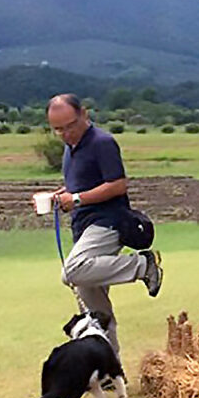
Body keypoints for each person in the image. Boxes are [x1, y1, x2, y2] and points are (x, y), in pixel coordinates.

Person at [44, 94, 161, 356]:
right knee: (95, 308)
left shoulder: (102, 143)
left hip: (108, 222)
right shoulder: (70, 148)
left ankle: (143, 265)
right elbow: (82, 184)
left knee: (72, 271)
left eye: (70, 126)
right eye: (58, 129)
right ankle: (110, 369)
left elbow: (118, 184)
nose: (65, 133)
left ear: (84, 114)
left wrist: (75, 198)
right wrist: (61, 195)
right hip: (83, 226)